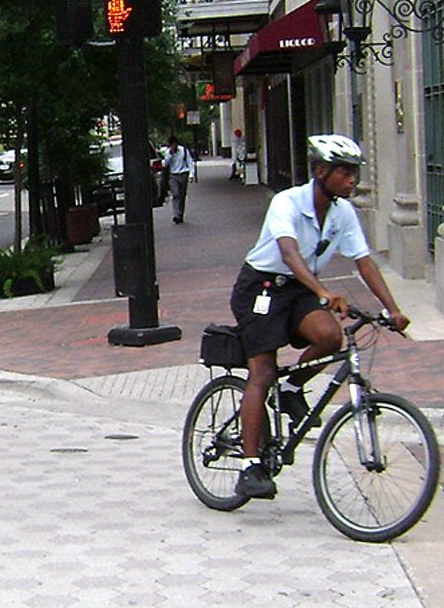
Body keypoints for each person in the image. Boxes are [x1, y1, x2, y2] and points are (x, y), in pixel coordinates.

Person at [230, 134, 409, 500]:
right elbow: (289, 252)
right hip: (261, 289)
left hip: (299, 289)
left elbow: (363, 261)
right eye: (345, 172)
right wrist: (324, 292)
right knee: (262, 372)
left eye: (354, 173)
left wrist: (393, 308)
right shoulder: (287, 202)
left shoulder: (343, 212)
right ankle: (249, 466)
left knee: (330, 337)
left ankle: (293, 388)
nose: (352, 180)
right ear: (321, 171)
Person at [164, 136, 195, 223]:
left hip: (183, 174)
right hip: (173, 176)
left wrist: (191, 174)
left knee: (182, 195)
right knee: (176, 194)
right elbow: (165, 164)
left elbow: (190, 162)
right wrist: (170, 154)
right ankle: (176, 215)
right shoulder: (167, 152)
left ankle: (180, 214)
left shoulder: (183, 150)